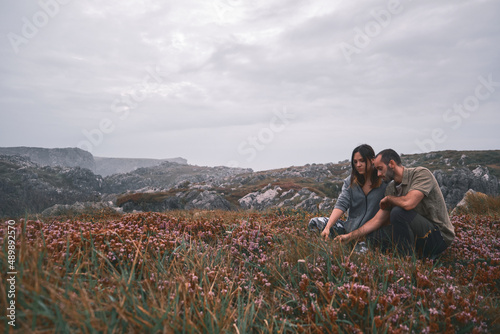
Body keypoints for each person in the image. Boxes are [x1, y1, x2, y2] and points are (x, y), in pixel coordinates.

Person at [334, 149, 455, 258]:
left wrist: (390, 199)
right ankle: (413, 254)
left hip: (438, 237)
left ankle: (407, 260)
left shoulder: (421, 174)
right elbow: (377, 220)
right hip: (416, 234)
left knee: (398, 212)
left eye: (380, 169)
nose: (378, 174)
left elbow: (409, 203)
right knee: (373, 236)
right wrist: (349, 236)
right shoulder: (391, 188)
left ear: (391, 164)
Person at [308, 144, 387, 240]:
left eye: (362, 161)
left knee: (361, 251)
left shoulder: (384, 182)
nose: (358, 165)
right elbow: (341, 204)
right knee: (315, 222)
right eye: (355, 162)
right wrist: (327, 227)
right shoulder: (350, 182)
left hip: (370, 232)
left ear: (372, 160)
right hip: (349, 228)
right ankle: (326, 246)